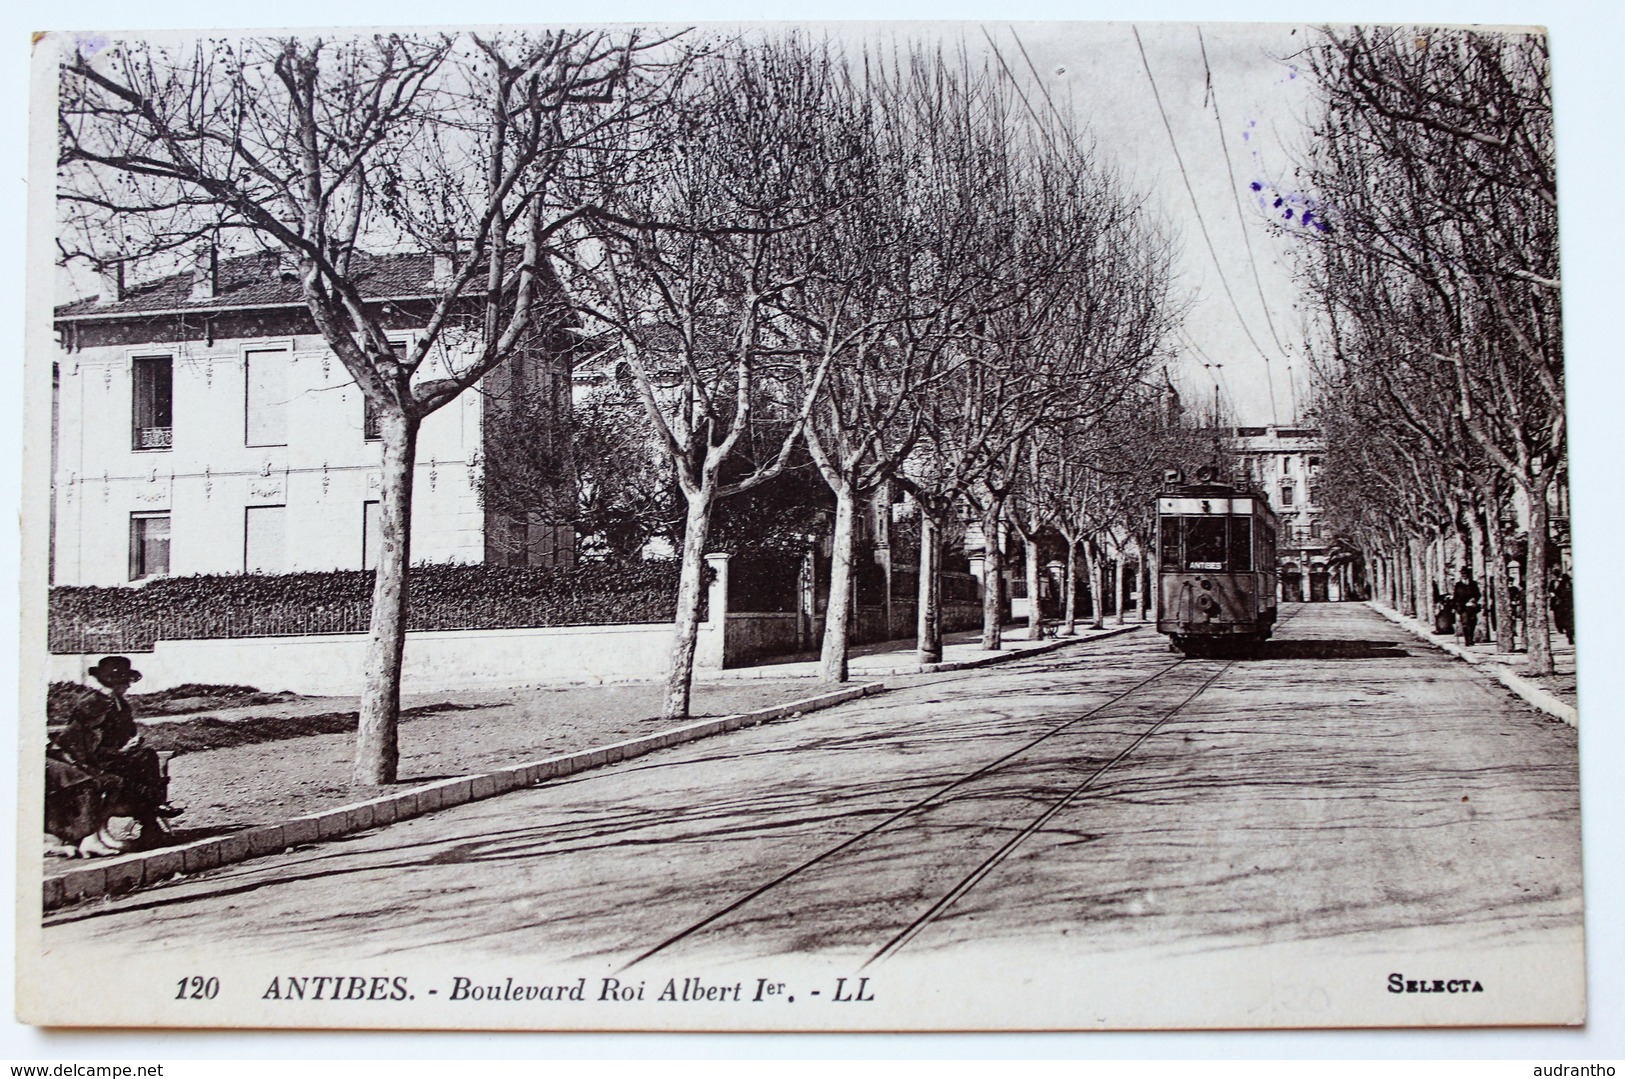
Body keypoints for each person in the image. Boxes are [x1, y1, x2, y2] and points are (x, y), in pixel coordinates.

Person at [46, 657, 181, 835]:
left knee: (145, 758)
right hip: (92, 762)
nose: (129, 686)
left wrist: (131, 743)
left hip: (115, 758)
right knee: (144, 761)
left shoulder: (120, 704)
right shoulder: (92, 704)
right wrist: (121, 751)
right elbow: (86, 747)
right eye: (126, 682)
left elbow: (127, 732)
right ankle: (153, 811)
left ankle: (151, 821)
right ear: (115, 683)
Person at [1452, 569, 1483, 647]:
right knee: (1465, 623)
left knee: (1472, 623)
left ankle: (1471, 638)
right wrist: (1454, 607)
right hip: (1462, 608)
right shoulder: (1458, 585)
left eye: (1465, 574)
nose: (1464, 575)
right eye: (1463, 574)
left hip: (1472, 607)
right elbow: (1455, 597)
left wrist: (1474, 599)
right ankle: (1467, 640)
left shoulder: (1473, 584)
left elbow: (1478, 594)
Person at [1552, 570, 1575, 644]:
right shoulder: (1571, 585)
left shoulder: (1561, 585)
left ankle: (1569, 635)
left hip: (1563, 606)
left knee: (1565, 621)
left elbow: (1556, 593)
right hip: (1570, 606)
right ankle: (1570, 635)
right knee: (1570, 622)